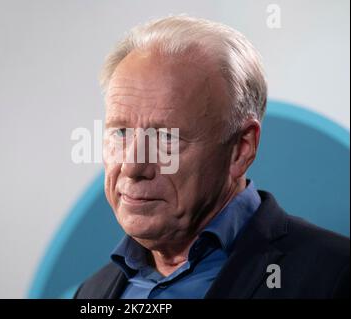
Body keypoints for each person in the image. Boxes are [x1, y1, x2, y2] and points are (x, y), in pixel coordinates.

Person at [74, 15, 349, 299]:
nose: (132, 166)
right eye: (120, 132)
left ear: (241, 148)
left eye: (166, 137)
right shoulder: (92, 292)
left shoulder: (333, 277)